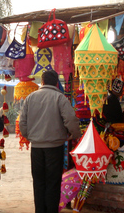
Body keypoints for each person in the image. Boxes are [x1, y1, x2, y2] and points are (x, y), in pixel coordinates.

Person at [19, 70, 81, 213]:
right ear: (55, 83)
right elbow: (71, 120)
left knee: (39, 181)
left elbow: (23, 122)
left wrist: (30, 137)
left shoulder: (30, 98)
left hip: (36, 147)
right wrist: (74, 134)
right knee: (53, 182)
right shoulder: (60, 98)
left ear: (42, 82)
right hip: (55, 146)